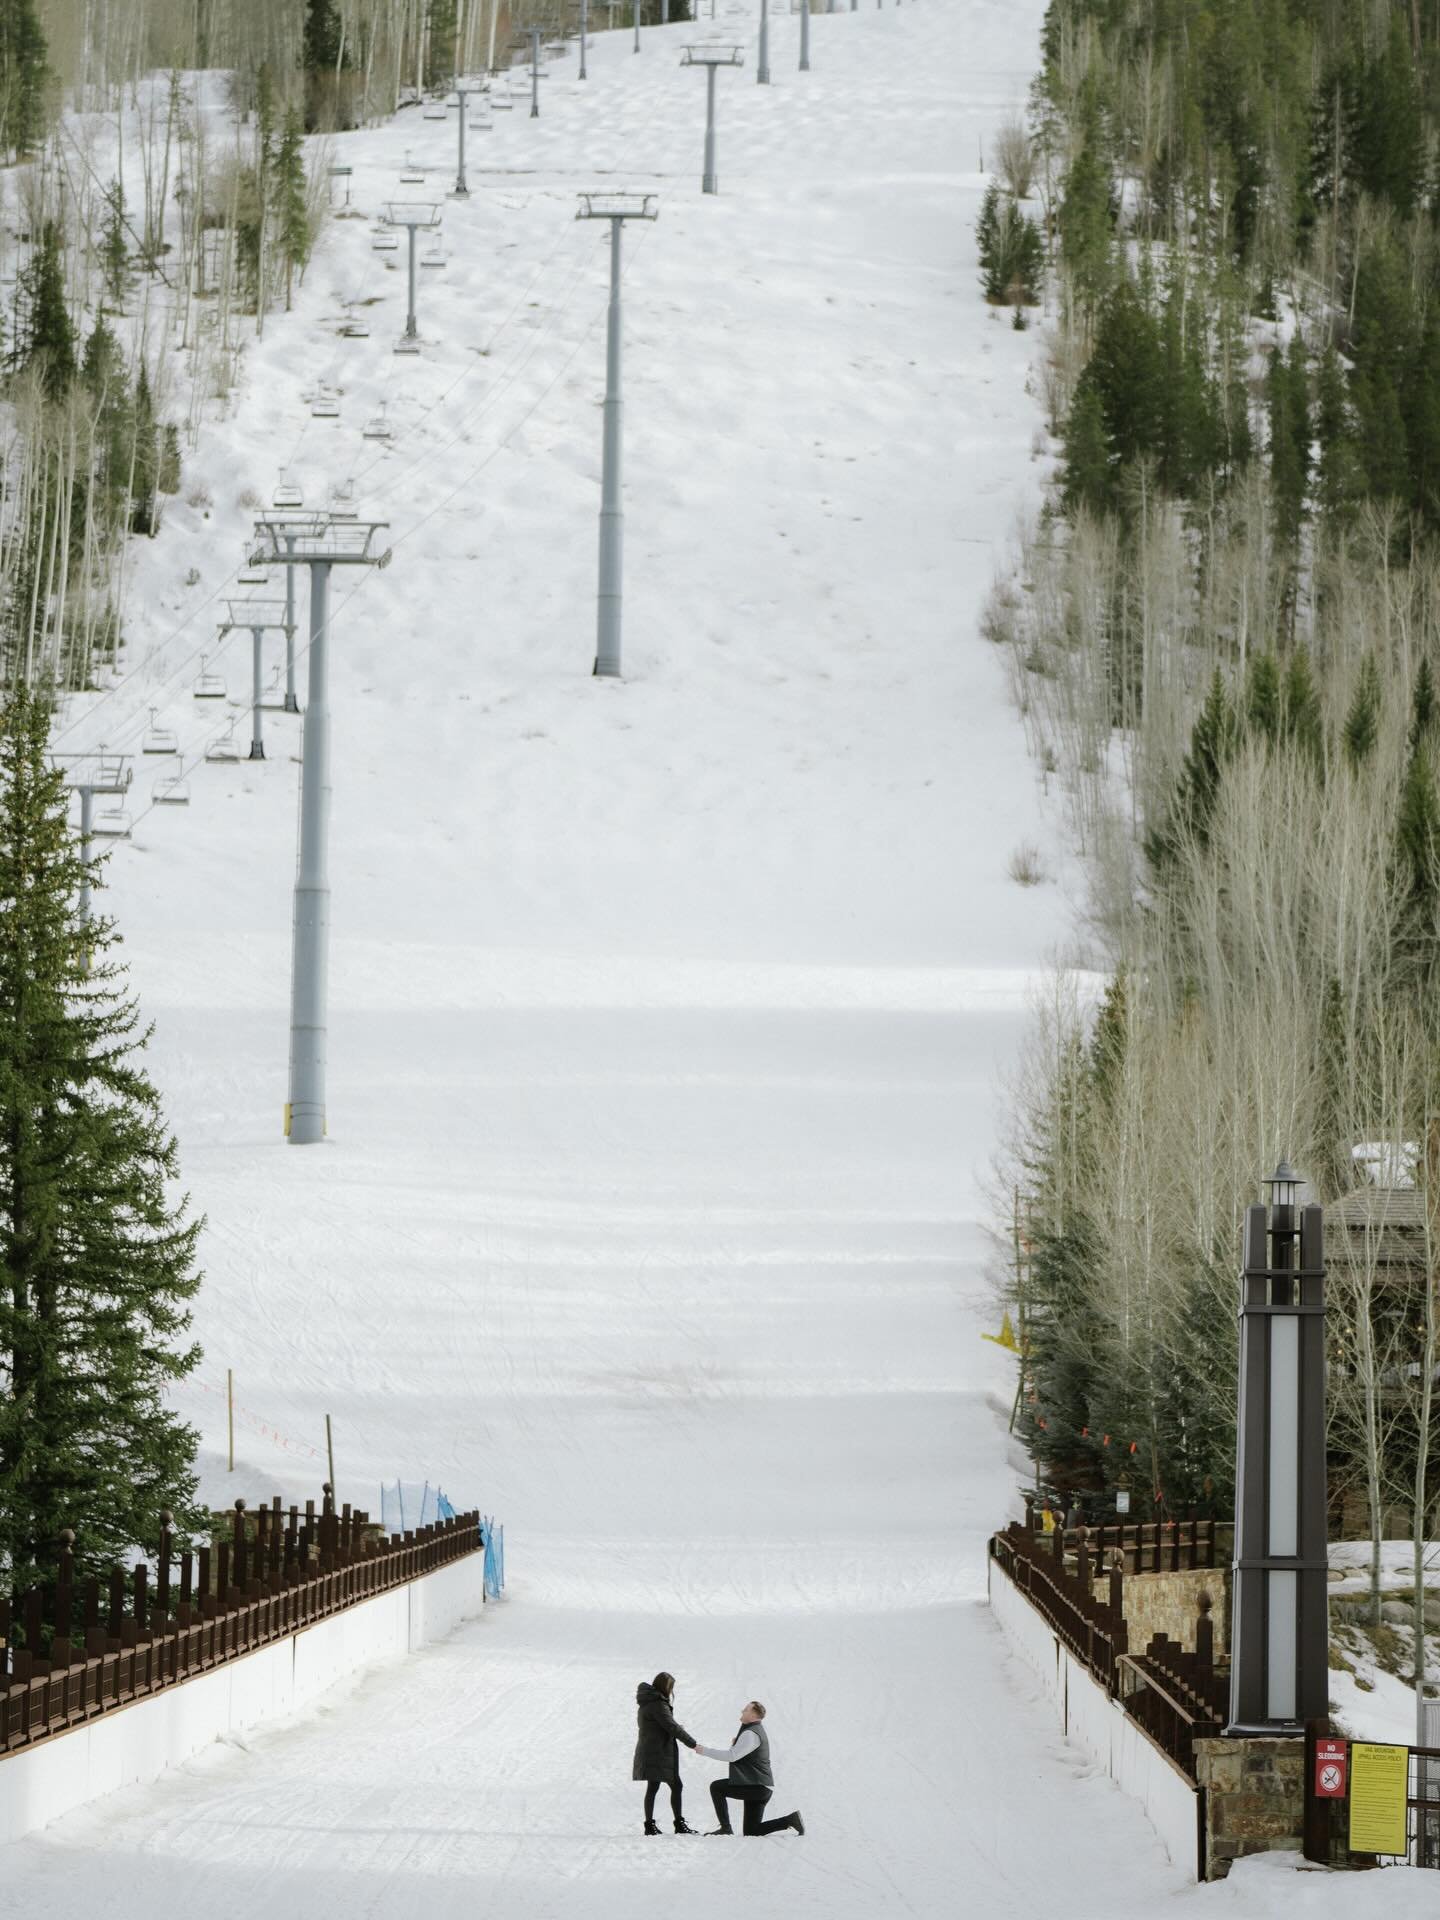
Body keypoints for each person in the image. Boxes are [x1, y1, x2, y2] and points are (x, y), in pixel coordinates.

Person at [690, 1701, 804, 1836]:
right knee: (751, 1831)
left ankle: (726, 1828)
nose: (742, 1711)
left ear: (753, 1714)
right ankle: (791, 1820)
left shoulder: (751, 1734)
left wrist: (704, 1751)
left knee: (716, 1787)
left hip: (756, 1787)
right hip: (760, 1788)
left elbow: (732, 1756)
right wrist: (735, 1745)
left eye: (745, 1710)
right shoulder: (753, 1731)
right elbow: (739, 1754)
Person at [632, 1672, 700, 1834]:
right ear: (665, 1687)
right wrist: (693, 1743)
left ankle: (650, 1825)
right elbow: (671, 1727)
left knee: (654, 1787)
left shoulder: (647, 1702)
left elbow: (663, 1724)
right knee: (675, 1785)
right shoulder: (658, 1704)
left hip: (652, 1750)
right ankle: (677, 1824)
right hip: (658, 1752)